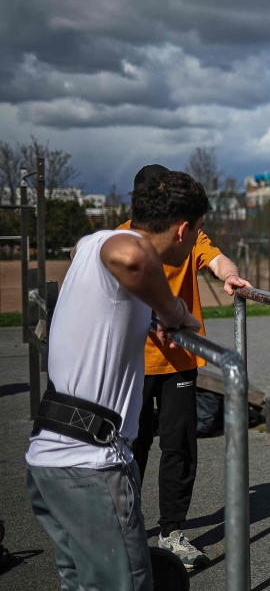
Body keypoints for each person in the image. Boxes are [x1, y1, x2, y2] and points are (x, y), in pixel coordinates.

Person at [25, 171, 206, 591]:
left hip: (50, 461)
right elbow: (132, 256)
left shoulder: (91, 243)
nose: (196, 240)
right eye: (197, 232)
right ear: (183, 230)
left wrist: (146, 316)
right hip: (90, 466)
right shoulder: (128, 249)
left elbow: (88, 259)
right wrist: (174, 311)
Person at [119, 164, 251, 569]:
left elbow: (215, 258)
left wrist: (231, 276)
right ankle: (125, 528)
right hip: (134, 361)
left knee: (179, 445)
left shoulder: (187, 231)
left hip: (179, 360)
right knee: (132, 446)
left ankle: (171, 531)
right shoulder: (123, 238)